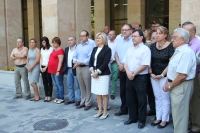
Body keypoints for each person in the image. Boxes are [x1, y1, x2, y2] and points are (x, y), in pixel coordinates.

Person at [163, 28, 196, 133]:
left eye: (175, 38)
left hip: (181, 85)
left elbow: (182, 75)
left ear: (183, 39)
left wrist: (170, 86)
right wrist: (167, 81)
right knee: (177, 114)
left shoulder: (186, 52)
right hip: (176, 84)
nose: (172, 40)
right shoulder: (179, 50)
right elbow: (173, 69)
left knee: (180, 116)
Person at [123, 30, 151, 129]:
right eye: (132, 36)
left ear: (141, 38)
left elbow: (145, 64)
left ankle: (142, 120)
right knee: (130, 99)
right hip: (129, 76)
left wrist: (134, 73)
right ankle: (132, 118)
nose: (133, 38)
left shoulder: (145, 49)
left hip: (140, 77)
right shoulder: (130, 49)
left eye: (135, 36)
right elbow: (125, 62)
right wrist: (128, 72)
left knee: (141, 100)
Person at [150, 26, 174, 128]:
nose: (157, 35)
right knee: (157, 97)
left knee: (165, 98)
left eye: (160, 33)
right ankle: (158, 117)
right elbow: (149, 61)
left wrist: (162, 75)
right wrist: (151, 73)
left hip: (164, 76)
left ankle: (164, 119)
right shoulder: (152, 46)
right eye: (156, 33)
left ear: (165, 35)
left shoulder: (170, 46)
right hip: (153, 75)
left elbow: (171, 63)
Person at [182, 22, 200, 133]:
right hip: (183, 76)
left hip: (195, 76)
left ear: (192, 32)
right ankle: (187, 124)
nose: (182, 33)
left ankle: (196, 126)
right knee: (185, 101)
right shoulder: (184, 42)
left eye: (185, 31)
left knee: (194, 102)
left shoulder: (198, 43)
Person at [89, 32, 111, 119]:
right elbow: (91, 61)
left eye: (100, 38)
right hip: (94, 73)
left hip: (103, 74)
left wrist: (97, 72)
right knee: (98, 93)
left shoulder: (107, 49)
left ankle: (105, 112)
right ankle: (100, 110)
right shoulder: (94, 49)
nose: (98, 39)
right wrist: (92, 70)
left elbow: (105, 62)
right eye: (97, 38)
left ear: (104, 39)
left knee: (104, 93)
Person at [114, 24, 133, 116]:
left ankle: (132, 110)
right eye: (122, 30)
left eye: (126, 30)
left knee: (130, 91)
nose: (124, 31)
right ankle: (123, 109)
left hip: (130, 70)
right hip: (121, 68)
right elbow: (116, 54)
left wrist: (124, 66)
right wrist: (119, 64)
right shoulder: (119, 41)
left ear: (131, 31)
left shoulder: (133, 40)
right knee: (122, 91)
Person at [73, 30, 94, 111]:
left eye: (83, 36)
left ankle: (88, 103)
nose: (81, 37)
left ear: (87, 36)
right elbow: (75, 55)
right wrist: (75, 61)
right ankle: (82, 102)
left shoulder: (90, 46)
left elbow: (90, 58)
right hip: (78, 67)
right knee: (81, 86)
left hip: (86, 67)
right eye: (80, 36)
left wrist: (80, 62)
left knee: (88, 86)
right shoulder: (78, 46)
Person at [63, 36, 81, 106]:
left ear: (75, 41)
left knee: (77, 85)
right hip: (68, 69)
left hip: (76, 68)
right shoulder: (66, 49)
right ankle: (71, 99)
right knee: (69, 85)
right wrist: (65, 70)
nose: (70, 41)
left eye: (71, 40)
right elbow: (65, 60)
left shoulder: (78, 48)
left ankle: (79, 100)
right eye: (68, 40)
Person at [48, 37, 65, 104]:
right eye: (53, 43)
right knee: (55, 84)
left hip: (57, 71)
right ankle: (57, 97)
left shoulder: (60, 50)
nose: (54, 44)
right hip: (52, 70)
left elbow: (60, 61)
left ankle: (61, 98)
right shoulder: (54, 50)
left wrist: (58, 71)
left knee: (59, 84)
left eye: (55, 43)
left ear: (58, 43)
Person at [40, 36, 54, 102]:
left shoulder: (51, 49)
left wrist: (46, 67)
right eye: (42, 42)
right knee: (44, 82)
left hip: (48, 66)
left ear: (47, 42)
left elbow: (50, 59)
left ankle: (49, 95)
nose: (43, 43)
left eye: (44, 42)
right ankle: (46, 95)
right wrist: (40, 66)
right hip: (42, 66)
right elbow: (41, 58)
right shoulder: (42, 49)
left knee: (49, 81)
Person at [108, 30, 119, 100]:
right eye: (109, 34)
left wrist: (115, 60)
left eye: (111, 34)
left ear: (115, 35)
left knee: (114, 77)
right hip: (108, 62)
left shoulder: (118, 43)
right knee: (108, 78)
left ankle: (112, 93)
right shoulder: (107, 43)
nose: (110, 36)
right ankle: (107, 91)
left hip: (115, 62)